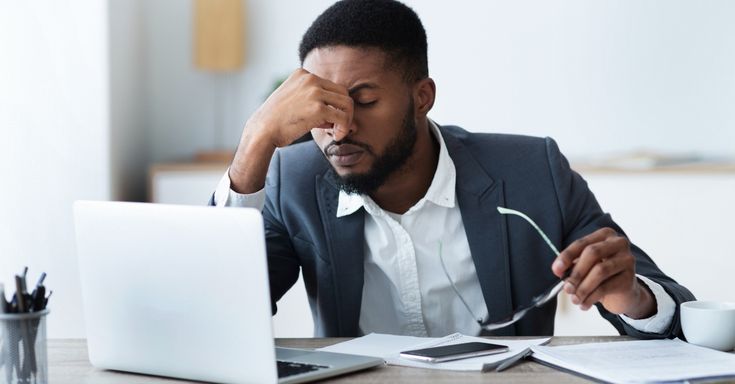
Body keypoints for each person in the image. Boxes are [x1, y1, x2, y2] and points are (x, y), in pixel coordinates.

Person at [210, 0, 694, 338]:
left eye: (365, 101)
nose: (339, 130)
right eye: (324, 107)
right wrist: (256, 141)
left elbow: (679, 317)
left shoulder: (532, 172)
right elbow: (219, 315)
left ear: (422, 97)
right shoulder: (291, 181)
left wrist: (632, 296)